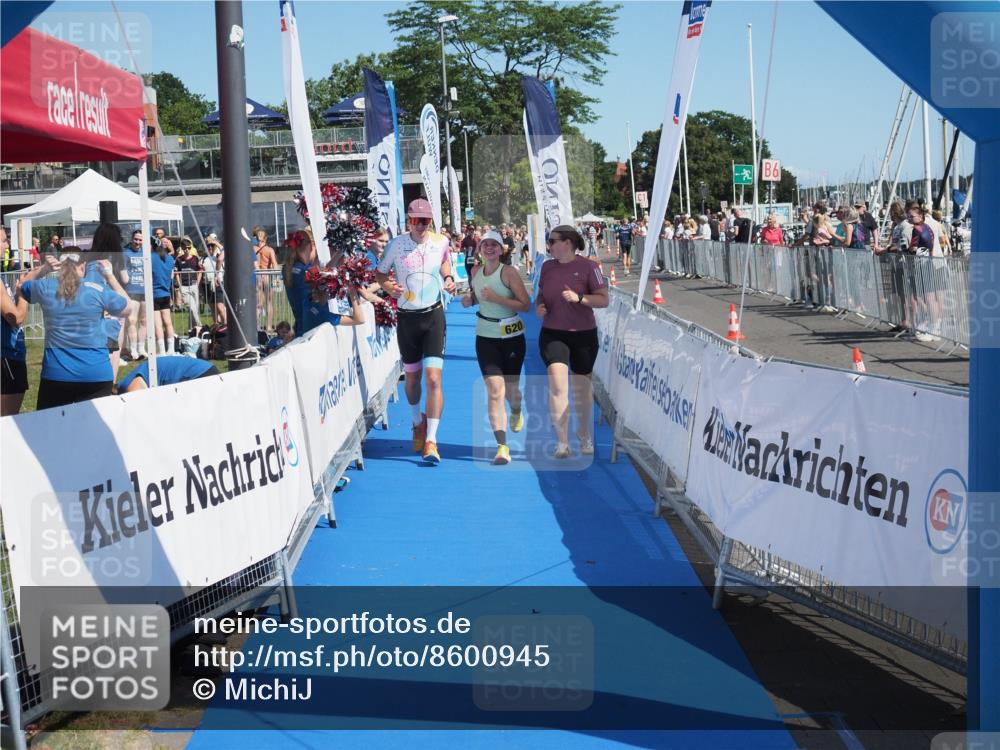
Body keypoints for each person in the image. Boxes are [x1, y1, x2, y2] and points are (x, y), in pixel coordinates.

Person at [376, 198, 457, 465]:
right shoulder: (396, 245)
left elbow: (445, 263)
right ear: (408, 220)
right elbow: (379, 274)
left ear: (431, 221)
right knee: (412, 380)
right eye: (415, 221)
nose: (420, 226)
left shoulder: (441, 241)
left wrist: (448, 278)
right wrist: (389, 288)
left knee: (434, 379)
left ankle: (432, 441)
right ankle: (416, 422)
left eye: (425, 221)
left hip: (433, 315)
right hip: (407, 318)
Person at [535, 225, 609, 459]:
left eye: (552, 241)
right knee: (557, 385)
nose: (549, 245)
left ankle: (583, 432)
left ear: (568, 243)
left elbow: (603, 300)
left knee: (581, 389)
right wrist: (540, 305)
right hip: (553, 333)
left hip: (583, 334)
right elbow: (541, 293)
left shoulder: (590, 267)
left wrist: (580, 298)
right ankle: (562, 442)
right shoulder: (547, 267)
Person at [22, 249, 129, 410]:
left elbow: (22, 285)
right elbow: (126, 307)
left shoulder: (44, 287)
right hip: (96, 373)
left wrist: (44, 269)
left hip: (57, 374)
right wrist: (109, 276)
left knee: (53, 431)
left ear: (59, 265)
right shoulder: (96, 289)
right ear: (83, 266)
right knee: (93, 431)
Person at [460, 230, 531, 465]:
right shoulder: (475, 271)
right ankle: (502, 446)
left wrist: (496, 299)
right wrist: (472, 300)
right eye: (485, 245)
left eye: (494, 245)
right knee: (495, 391)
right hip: (485, 336)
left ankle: (517, 409)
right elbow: (479, 295)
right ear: (479, 250)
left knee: (511, 391)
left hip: (511, 336)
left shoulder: (509, 272)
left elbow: (525, 305)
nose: (489, 248)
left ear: (502, 250)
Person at [1, 271, 29, 415]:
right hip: (6, 355)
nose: (6, 246)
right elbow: (16, 318)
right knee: (7, 422)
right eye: (4, 245)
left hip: (9, 354)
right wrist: (23, 293)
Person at [117, 355, 219, 393]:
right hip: (207, 369)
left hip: (198, 375)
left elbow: (136, 403)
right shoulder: (138, 372)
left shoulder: (129, 384)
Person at [120, 229, 148, 360]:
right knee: (131, 320)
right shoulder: (126, 253)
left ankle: (141, 348)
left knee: (144, 320)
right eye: (136, 239)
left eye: (140, 240)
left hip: (145, 289)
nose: (138, 242)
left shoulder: (147, 252)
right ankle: (133, 349)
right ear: (132, 239)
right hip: (131, 290)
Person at [150, 238, 176, 354]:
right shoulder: (170, 259)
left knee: (158, 324)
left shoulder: (150, 258)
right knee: (168, 322)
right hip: (166, 293)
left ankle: (162, 351)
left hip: (154, 294)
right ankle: (171, 349)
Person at [254, 227, 279, 331]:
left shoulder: (253, 249)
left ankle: (256, 326)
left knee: (258, 303)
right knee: (269, 303)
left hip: (257, 276)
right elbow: (275, 265)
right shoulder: (269, 250)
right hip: (267, 276)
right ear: (266, 238)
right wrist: (277, 278)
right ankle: (268, 326)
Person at [175, 237, 202, 330]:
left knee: (196, 309)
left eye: (189, 248)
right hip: (185, 287)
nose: (187, 250)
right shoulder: (178, 259)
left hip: (194, 286)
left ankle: (192, 329)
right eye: (185, 248)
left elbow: (200, 270)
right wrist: (180, 286)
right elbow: (176, 273)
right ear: (182, 248)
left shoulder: (195, 258)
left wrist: (197, 283)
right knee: (192, 308)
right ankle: (200, 326)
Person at [203, 237, 226, 327]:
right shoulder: (204, 258)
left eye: (212, 246)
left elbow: (224, 250)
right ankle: (217, 327)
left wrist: (215, 242)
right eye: (208, 246)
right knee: (213, 309)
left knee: (220, 307)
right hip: (208, 284)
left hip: (218, 283)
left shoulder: (219, 254)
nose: (210, 248)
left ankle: (227, 325)